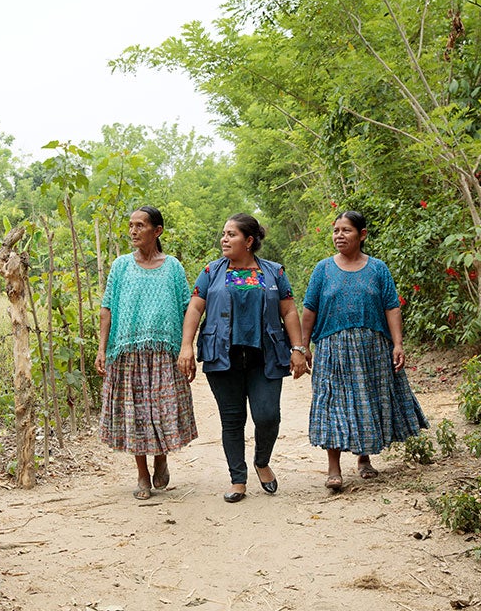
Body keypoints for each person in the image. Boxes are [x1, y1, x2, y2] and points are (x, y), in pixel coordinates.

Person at [178, 213, 308, 503]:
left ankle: (262, 461)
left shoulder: (274, 272)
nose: (224, 239)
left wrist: (298, 348)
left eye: (231, 234)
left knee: (267, 416)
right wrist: (186, 345)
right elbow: (196, 308)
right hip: (223, 355)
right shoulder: (212, 271)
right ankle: (238, 479)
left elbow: (288, 311)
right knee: (232, 420)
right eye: (223, 234)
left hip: (266, 355)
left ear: (249, 241)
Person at [301, 210, 429, 491]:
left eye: (346, 230)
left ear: (362, 235)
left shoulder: (378, 269)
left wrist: (397, 343)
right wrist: (303, 345)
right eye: (336, 231)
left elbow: (391, 307)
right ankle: (333, 468)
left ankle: (364, 458)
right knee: (331, 403)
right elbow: (309, 309)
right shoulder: (323, 269)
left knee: (366, 400)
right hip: (332, 348)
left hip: (372, 348)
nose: (339, 236)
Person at [95, 206, 198, 501]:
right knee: (136, 413)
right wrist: (102, 349)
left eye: (140, 225)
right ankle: (142, 474)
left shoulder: (173, 267)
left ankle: (161, 456)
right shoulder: (121, 266)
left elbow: (187, 309)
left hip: (164, 352)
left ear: (157, 231)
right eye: (131, 225)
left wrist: (186, 348)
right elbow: (107, 309)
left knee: (162, 410)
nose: (134, 231)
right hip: (127, 353)